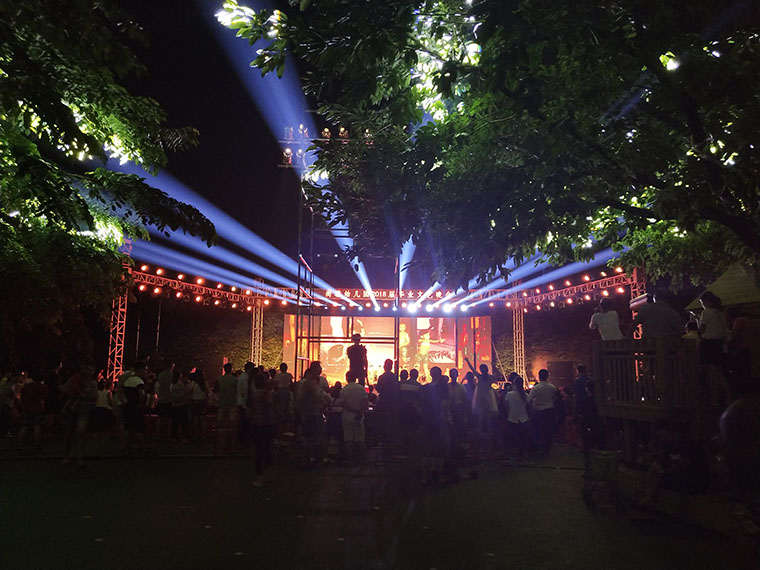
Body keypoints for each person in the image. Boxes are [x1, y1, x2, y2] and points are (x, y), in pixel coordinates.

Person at [61, 363, 98, 466]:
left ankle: (79, 457)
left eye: (91, 370)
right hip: (74, 408)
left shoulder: (93, 383)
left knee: (80, 432)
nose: (89, 372)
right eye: (88, 369)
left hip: (83, 407)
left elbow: (94, 397)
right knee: (69, 433)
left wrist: (78, 396)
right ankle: (68, 456)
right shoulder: (75, 380)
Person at [295, 361, 330, 465]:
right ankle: (308, 458)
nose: (321, 369)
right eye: (319, 367)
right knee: (309, 437)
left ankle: (315, 456)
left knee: (318, 435)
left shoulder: (320, 380)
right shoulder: (306, 383)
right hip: (309, 413)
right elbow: (300, 399)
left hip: (316, 412)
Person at [248, 373, 276, 486]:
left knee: (258, 450)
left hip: (257, 424)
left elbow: (249, 411)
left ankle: (260, 476)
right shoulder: (270, 394)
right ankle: (267, 472)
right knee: (268, 447)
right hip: (269, 423)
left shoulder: (253, 396)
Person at [338, 371, 369, 463]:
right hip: (359, 417)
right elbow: (366, 402)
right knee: (360, 439)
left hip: (347, 416)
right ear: (356, 378)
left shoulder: (344, 390)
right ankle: (363, 459)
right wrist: (359, 411)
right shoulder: (361, 388)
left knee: (348, 439)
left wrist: (352, 410)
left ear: (346, 378)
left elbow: (342, 403)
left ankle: (350, 460)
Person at [527, 369, 558, 456]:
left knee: (538, 430)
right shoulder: (552, 387)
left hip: (538, 412)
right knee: (548, 431)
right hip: (549, 411)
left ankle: (538, 447)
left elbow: (529, 399)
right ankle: (546, 449)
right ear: (547, 376)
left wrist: (531, 409)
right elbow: (556, 398)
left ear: (539, 376)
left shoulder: (536, 388)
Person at [16, 370, 49, 451]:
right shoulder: (43, 387)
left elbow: (22, 397)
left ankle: (19, 444)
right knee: (37, 426)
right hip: (38, 408)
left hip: (27, 408)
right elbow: (45, 397)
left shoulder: (27, 386)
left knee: (24, 426)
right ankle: (37, 444)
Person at [465, 357, 498, 434]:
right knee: (488, 414)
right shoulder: (490, 377)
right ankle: (489, 430)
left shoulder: (479, 376)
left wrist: (467, 361)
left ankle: (480, 429)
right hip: (489, 396)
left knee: (481, 414)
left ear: (481, 370)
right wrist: (494, 366)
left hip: (480, 397)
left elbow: (472, 369)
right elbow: (498, 374)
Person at [503, 373, 531, 461]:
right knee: (521, 437)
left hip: (512, 418)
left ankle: (509, 453)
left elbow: (506, 407)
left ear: (514, 384)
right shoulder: (526, 395)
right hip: (523, 418)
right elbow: (528, 407)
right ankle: (520, 454)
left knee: (510, 436)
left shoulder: (509, 394)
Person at [375, 358, 400, 447]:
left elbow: (379, 389)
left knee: (382, 421)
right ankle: (390, 440)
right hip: (392, 402)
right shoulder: (394, 377)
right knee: (391, 421)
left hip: (383, 401)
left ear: (384, 366)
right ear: (391, 367)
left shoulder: (382, 377)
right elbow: (396, 389)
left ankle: (383, 439)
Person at [215, 362, 239, 451]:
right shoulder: (234, 380)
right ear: (231, 369)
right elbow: (237, 391)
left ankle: (222, 443)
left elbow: (216, 390)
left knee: (222, 424)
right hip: (232, 403)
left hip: (222, 403)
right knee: (232, 424)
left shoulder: (220, 379)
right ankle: (232, 444)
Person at [154, 359, 174, 440]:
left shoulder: (160, 375)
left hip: (161, 399)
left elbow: (157, 387)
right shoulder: (172, 375)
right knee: (169, 418)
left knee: (160, 417)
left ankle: (159, 434)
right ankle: (168, 434)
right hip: (170, 399)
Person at [170, 368, 189, 442]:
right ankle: (184, 436)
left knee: (175, 421)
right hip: (182, 404)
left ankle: (174, 436)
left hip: (174, 405)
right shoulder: (181, 385)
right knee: (184, 421)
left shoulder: (171, 385)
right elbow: (185, 394)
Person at [188, 369, 207, 439]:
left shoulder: (193, 383)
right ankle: (203, 434)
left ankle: (196, 434)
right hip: (203, 400)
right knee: (202, 418)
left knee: (196, 417)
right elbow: (207, 391)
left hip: (195, 400)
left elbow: (189, 390)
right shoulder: (204, 383)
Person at [273, 362, 294, 428]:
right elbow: (291, 383)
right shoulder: (289, 375)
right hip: (287, 391)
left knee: (280, 405)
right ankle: (286, 420)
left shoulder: (278, 376)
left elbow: (275, 384)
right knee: (287, 405)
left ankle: (281, 420)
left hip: (280, 391)